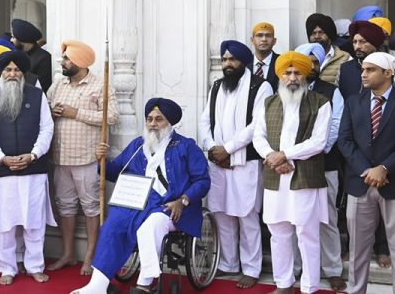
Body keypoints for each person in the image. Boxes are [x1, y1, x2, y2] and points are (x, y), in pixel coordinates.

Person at [71, 97, 210, 294]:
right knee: (112, 225)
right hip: (136, 205)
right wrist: (101, 160)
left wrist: (183, 200)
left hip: (170, 206)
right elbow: (114, 172)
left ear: (170, 122)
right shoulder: (137, 145)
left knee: (150, 227)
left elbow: (203, 181)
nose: (153, 124)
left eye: (158, 119)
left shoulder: (186, 146)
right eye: (149, 119)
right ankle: (97, 286)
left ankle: (144, 286)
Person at [338, 52, 395, 294]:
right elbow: (345, 141)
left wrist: (385, 168)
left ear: (389, 73)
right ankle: (356, 290)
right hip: (360, 184)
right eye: (363, 69)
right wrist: (368, 170)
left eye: (371, 70)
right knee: (357, 248)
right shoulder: (353, 102)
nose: (364, 74)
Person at [253, 51, 331, 294]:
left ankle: (309, 286)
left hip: (304, 177)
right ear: (280, 76)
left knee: (306, 233)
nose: (292, 77)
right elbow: (258, 136)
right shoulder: (268, 103)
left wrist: (284, 155)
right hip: (276, 176)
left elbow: (319, 142)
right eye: (287, 72)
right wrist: (272, 157)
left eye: (297, 72)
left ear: (305, 74)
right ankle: (284, 283)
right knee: (278, 232)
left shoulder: (320, 102)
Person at [199, 40, 273, 288]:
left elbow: (257, 125)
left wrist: (228, 149)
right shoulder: (217, 86)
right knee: (222, 214)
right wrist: (212, 148)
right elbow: (204, 121)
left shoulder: (260, 86)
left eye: (232, 59)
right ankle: (228, 264)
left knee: (247, 216)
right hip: (218, 162)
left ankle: (251, 268)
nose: (227, 64)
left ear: (243, 61)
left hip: (245, 162)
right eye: (224, 59)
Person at [0, 50, 56, 284]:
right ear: (1, 72)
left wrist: (33, 155)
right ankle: (7, 268)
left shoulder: (37, 95)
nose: (12, 74)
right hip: (1, 171)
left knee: (34, 222)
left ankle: (34, 265)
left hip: (33, 169)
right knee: (5, 223)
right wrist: (1, 158)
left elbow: (47, 128)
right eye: (8, 70)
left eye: (17, 70)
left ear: (23, 73)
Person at [47, 40, 119, 274]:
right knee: (65, 207)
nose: (63, 62)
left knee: (90, 207)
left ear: (79, 61)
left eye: (67, 59)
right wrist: (52, 111)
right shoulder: (58, 84)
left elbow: (112, 117)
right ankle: (68, 254)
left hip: (87, 158)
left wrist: (75, 113)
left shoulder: (100, 85)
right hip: (60, 157)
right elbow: (44, 109)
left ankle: (91, 255)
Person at [293, 43, 346, 292]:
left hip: (325, 163)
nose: (311, 66)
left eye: (315, 62)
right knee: (294, 219)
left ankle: (332, 269)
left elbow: (335, 125)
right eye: (306, 61)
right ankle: (295, 267)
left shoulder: (331, 91)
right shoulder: (286, 91)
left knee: (327, 218)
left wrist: (314, 152)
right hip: (291, 167)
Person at [306, 13, 351, 84]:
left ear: (330, 35)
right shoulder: (301, 56)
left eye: (321, 32)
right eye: (313, 33)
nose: (317, 36)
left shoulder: (346, 58)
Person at [11, 19, 52, 92]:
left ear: (22, 39)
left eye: (14, 37)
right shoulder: (16, 55)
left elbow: (42, 87)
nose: (11, 40)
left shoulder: (44, 58)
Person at [250, 22, 279, 92]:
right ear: (252, 40)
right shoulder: (244, 63)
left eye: (268, 36)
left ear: (274, 41)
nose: (264, 39)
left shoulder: (282, 62)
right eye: (259, 35)